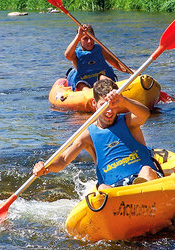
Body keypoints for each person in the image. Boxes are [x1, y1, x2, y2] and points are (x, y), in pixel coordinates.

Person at [33, 79, 161, 190]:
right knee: (103, 188)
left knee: (147, 170)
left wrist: (123, 100)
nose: (109, 111)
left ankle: (145, 197)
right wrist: (46, 167)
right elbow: (63, 159)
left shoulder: (128, 122)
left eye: (113, 105)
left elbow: (144, 114)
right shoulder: (87, 135)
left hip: (143, 180)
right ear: (94, 104)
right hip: (115, 187)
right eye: (104, 105)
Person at [65, 24, 129, 91]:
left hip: (100, 79)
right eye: (85, 39)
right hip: (84, 82)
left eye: (91, 38)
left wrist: (133, 72)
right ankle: (90, 96)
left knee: (104, 78)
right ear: (79, 40)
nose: (89, 41)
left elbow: (117, 64)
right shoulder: (75, 54)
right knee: (81, 85)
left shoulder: (100, 49)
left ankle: (115, 92)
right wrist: (78, 36)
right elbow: (67, 56)